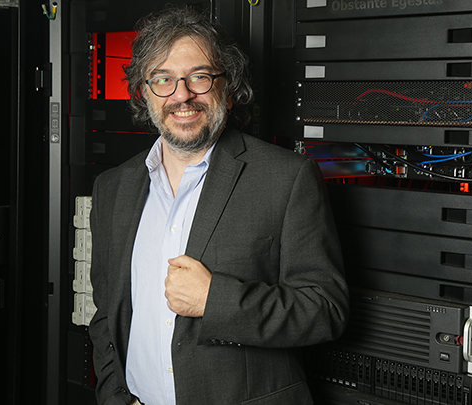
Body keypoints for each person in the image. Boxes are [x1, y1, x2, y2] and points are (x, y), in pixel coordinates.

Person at [88, 6, 349, 405]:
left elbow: (325, 309)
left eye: (199, 77)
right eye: (164, 79)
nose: (182, 95)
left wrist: (215, 300)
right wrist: (115, 395)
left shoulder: (286, 178)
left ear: (228, 88)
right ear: (144, 92)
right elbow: (107, 315)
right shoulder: (113, 189)